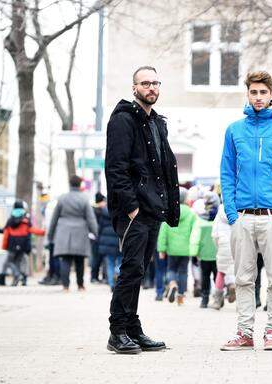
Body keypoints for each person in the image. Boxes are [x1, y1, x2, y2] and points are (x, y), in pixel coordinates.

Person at [219, 71, 272, 351]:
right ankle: (244, 333)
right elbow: (227, 173)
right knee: (243, 278)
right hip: (242, 217)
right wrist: (232, 213)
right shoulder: (234, 130)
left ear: (271, 94)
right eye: (253, 92)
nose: (258, 98)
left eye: (263, 93)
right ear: (248, 94)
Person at [105, 66, 180, 354]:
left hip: (153, 209)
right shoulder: (124, 121)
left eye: (155, 83)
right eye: (145, 83)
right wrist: (132, 207)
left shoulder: (157, 123)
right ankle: (117, 331)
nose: (151, 87)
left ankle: (132, 328)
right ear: (134, 87)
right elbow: (116, 168)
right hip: (133, 211)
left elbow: (163, 167)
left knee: (140, 271)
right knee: (130, 270)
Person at [47, 176, 99, 292]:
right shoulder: (84, 199)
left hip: (64, 232)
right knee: (79, 260)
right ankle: (80, 285)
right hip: (80, 231)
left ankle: (66, 286)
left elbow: (54, 218)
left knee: (65, 260)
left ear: (70, 184)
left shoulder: (62, 198)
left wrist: (50, 235)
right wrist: (95, 232)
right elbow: (91, 219)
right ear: (80, 184)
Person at [158, 188, 197, 305]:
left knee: (171, 269)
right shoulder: (191, 214)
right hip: (186, 249)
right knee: (183, 272)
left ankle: (172, 284)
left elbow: (163, 232)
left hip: (172, 249)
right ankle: (180, 297)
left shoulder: (169, 212)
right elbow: (194, 232)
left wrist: (161, 249)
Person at [0, 200, 45, 286]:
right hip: (23, 244)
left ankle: (16, 275)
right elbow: (32, 230)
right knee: (18, 262)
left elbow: (5, 230)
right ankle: (20, 278)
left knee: (9, 262)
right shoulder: (25, 219)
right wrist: (43, 232)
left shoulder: (11, 219)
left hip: (12, 243)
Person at [190, 191, 220, 308]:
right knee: (218, 277)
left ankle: (204, 299)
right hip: (217, 253)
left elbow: (195, 239)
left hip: (204, 254)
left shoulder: (200, 220)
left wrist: (194, 254)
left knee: (205, 277)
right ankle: (218, 298)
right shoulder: (220, 218)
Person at [210, 201, 236, 310]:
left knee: (221, 272)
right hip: (238, 243)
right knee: (239, 271)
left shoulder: (220, 211)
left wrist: (218, 245)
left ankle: (217, 301)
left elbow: (214, 234)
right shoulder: (239, 210)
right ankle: (234, 287)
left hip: (223, 244)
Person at [94, 193, 122, 292]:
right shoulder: (122, 211)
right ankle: (117, 273)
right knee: (120, 261)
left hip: (106, 241)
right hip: (119, 240)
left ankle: (111, 284)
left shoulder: (104, 212)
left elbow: (99, 227)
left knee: (109, 262)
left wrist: (99, 239)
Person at [90, 193, 107, 284]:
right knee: (96, 258)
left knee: (100, 258)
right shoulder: (96, 210)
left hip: (100, 237)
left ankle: (97, 276)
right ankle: (94, 277)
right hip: (96, 238)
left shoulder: (98, 210)